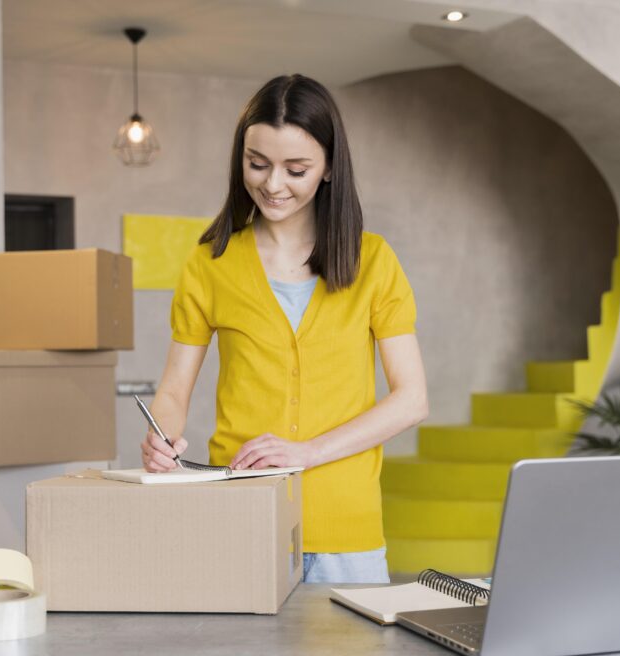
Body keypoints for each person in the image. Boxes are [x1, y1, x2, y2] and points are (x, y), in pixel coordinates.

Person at [140, 74, 428, 584]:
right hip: (242, 523)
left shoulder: (374, 261)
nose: (273, 185)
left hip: (347, 534)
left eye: (296, 169)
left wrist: (307, 453)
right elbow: (174, 389)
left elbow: (411, 401)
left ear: (330, 167)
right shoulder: (210, 263)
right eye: (257, 164)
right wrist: (162, 436)